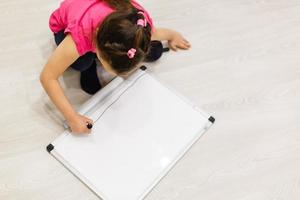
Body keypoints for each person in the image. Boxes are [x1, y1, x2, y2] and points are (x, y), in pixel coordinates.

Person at [40, 0, 191, 134]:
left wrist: (173, 35)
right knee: (81, 63)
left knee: (155, 51)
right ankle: (90, 63)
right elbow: (48, 77)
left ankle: (103, 58)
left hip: (106, 25)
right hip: (67, 24)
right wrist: (72, 118)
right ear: (97, 43)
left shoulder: (139, 27)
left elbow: (155, 33)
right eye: (104, 63)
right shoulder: (80, 34)